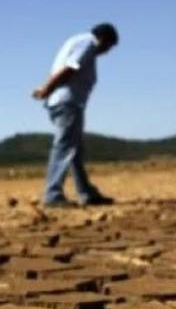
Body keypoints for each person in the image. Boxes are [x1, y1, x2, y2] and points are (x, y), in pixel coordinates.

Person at [32, 23, 118, 207]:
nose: (106, 52)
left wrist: (48, 89)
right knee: (64, 147)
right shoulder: (88, 44)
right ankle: (52, 194)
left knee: (74, 149)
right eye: (108, 47)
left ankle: (86, 193)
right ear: (104, 39)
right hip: (67, 102)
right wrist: (47, 89)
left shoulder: (78, 41)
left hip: (65, 102)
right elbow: (70, 68)